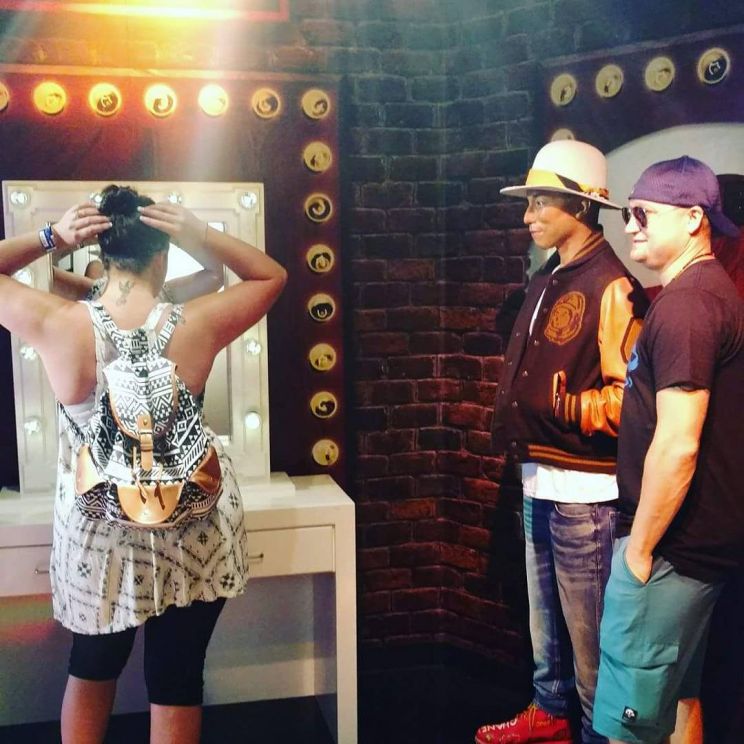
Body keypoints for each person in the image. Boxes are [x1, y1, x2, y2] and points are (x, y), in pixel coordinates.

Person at [0, 185, 287, 744]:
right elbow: (270, 275)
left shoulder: (59, 322)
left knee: (92, 666)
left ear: (101, 253)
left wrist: (51, 236)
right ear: (162, 256)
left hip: (99, 531)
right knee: (178, 674)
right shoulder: (195, 321)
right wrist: (200, 235)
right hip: (194, 525)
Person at [476, 140, 648, 744]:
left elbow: (629, 399)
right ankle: (550, 715)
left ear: (580, 205)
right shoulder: (549, 276)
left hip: (587, 493)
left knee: (590, 642)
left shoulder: (613, 286)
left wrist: (569, 406)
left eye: (540, 202)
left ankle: (599, 734)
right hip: (539, 479)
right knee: (546, 629)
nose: (528, 215)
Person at [592, 156, 744, 744]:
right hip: (694, 546)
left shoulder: (686, 306)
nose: (630, 226)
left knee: (628, 728)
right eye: (629, 214)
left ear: (693, 218)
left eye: (643, 214)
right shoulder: (706, 292)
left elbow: (678, 444)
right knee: (680, 700)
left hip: (671, 551)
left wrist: (639, 553)